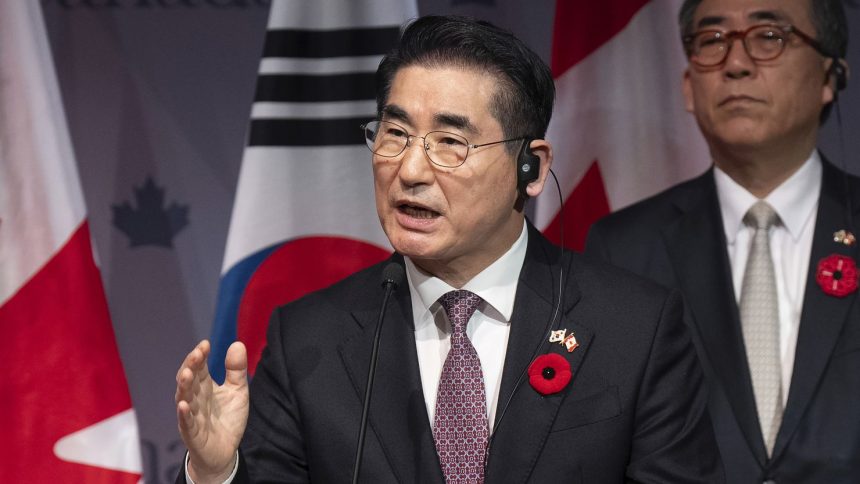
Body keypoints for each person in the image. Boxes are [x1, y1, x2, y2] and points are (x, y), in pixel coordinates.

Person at [176, 15, 723, 483]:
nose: (409, 170)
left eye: (450, 142)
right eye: (394, 134)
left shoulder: (634, 328)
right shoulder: (308, 341)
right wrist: (216, 472)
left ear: (531, 167)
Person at [586, 0, 860, 482]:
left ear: (829, 76)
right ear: (689, 86)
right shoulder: (622, 249)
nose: (735, 64)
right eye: (711, 42)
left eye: (769, 37)